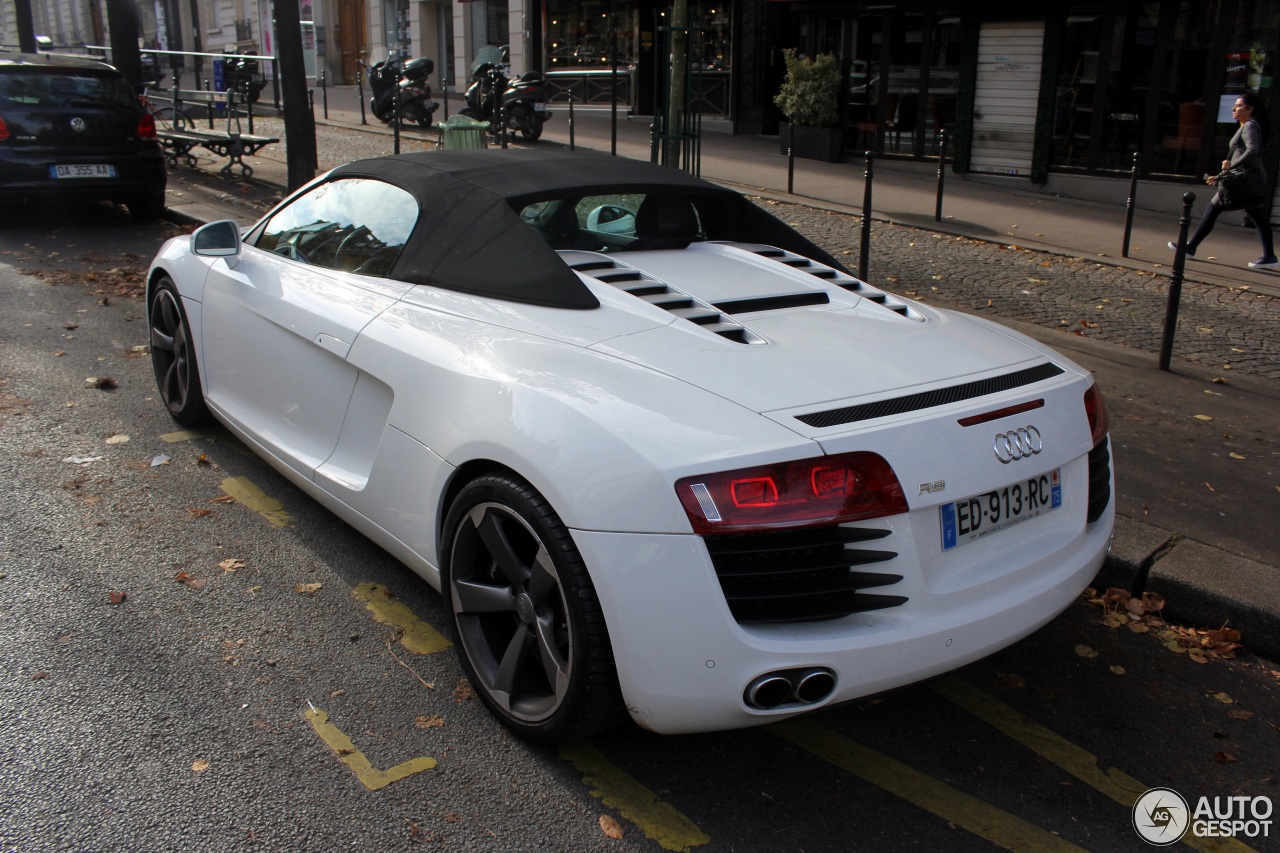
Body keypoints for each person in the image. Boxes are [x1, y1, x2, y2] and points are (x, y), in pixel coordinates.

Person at [1169, 93, 1277, 270]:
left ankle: (1190, 247)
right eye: (1234, 105)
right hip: (1248, 180)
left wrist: (1230, 166)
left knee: (1214, 208)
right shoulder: (1248, 125)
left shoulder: (1249, 126)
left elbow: (1252, 151)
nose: (1234, 108)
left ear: (1250, 109)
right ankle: (1269, 256)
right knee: (1257, 217)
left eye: (1239, 106)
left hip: (1243, 180)